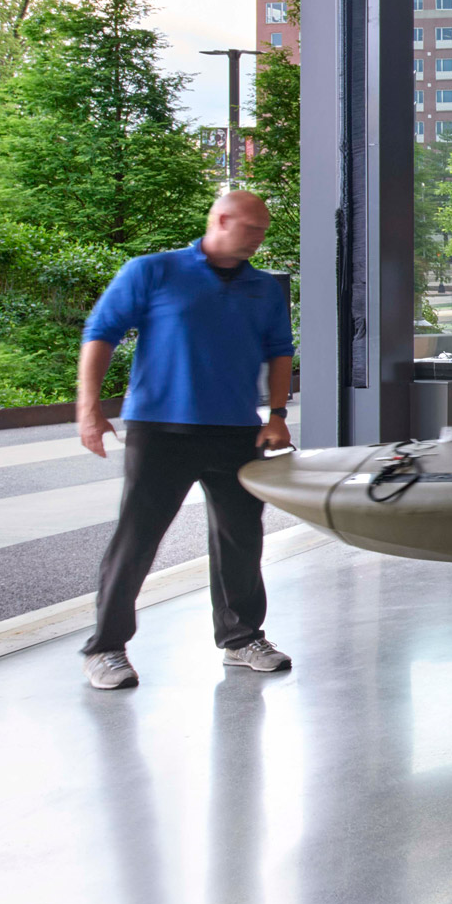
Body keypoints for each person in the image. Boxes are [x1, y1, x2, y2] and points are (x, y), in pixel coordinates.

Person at [76, 189, 295, 691]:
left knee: (241, 537)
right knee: (137, 539)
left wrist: (277, 414)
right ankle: (105, 648)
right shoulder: (152, 271)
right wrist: (88, 408)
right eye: (251, 228)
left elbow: (280, 351)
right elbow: (101, 332)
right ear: (219, 219)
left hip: (236, 430)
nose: (259, 239)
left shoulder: (263, 288)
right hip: (161, 430)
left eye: (263, 230)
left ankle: (242, 639)